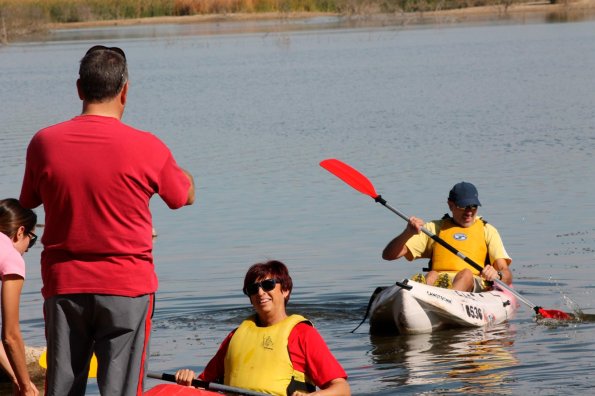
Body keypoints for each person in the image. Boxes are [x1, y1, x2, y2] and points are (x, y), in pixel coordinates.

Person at [19, 45, 195, 396]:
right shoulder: (148, 146)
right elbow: (182, 197)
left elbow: (28, 201)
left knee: (63, 390)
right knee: (121, 391)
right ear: (124, 91)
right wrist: (184, 177)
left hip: (65, 285)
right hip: (127, 288)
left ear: (79, 89)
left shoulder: (44, 143)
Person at [174, 260, 350, 396]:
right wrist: (188, 379)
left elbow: (342, 388)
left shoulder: (302, 333)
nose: (260, 293)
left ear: (286, 290)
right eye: (253, 289)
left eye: (268, 285)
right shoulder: (235, 336)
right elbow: (203, 383)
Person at [382, 182, 512, 292]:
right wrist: (407, 233)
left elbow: (506, 273)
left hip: (472, 284)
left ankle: (446, 299)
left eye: (473, 206)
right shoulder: (433, 228)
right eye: (463, 206)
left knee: (465, 274)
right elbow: (388, 255)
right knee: (432, 274)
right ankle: (427, 298)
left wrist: (497, 274)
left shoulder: (487, 230)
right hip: (440, 281)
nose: (469, 211)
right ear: (450, 205)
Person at [0, 198, 40, 396]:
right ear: (20, 232)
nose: (28, 248)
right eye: (31, 240)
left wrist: (16, 377)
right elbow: (10, 335)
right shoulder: (10, 256)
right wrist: (26, 387)